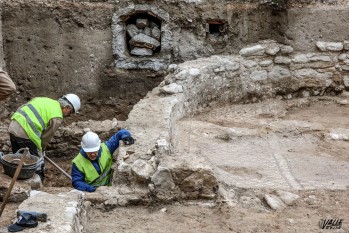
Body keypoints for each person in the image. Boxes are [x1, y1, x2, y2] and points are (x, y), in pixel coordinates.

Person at [8, 94, 81, 180]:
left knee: (18, 159)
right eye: (70, 112)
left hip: (13, 126)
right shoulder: (57, 116)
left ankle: (17, 182)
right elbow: (45, 138)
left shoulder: (44, 100)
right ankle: (37, 186)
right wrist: (41, 151)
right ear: (67, 107)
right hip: (26, 133)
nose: (69, 115)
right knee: (37, 164)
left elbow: (23, 108)